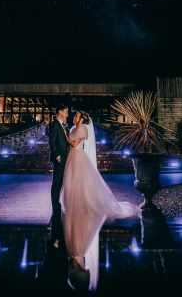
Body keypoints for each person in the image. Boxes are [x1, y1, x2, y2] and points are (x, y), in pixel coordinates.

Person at [60, 110, 141, 291]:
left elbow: (74, 143)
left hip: (78, 156)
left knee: (81, 183)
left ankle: (83, 204)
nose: (74, 117)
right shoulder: (75, 126)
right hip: (72, 158)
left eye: (77, 116)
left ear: (82, 119)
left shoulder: (82, 130)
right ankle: (76, 204)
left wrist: (65, 135)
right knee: (73, 183)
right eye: (74, 116)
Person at [48, 103, 70, 249]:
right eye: (66, 111)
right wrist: (57, 156)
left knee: (62, 182)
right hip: (60, 158)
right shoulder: (54, 124)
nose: (68, 113)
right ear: (60, 112)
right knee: (57, 182)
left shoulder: (63, 125)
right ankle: (55, 206)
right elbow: (52, 141)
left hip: (65, 157)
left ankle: (58, 204)